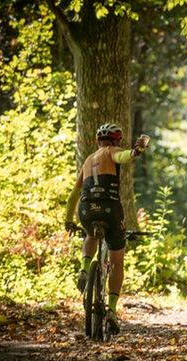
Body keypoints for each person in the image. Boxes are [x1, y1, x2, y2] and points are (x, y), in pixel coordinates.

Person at [64, 123, 149, 334]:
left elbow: (73, 195)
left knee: (91, 233)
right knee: (117, 259)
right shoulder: (112, 151)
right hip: (110, 208)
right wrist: (136, 151)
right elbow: (124, 157)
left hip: (85, 209)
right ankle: (111, 310)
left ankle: (84, 269)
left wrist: (68, 220)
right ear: (116, 141)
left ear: (97, 141)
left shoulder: (87, 161)